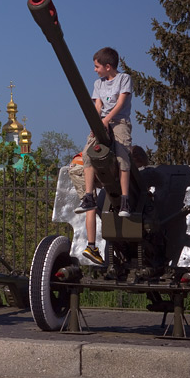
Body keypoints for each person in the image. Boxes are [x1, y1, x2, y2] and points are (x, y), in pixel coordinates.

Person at [74, 47, 134, 264]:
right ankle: (88, 195)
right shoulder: (98, 84)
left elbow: (120, 103)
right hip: (102, 122)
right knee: (89, 155)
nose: (95, 69)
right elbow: (98, 105)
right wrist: (96, 123)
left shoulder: (124, 79)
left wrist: (107, 121)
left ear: (108, 66)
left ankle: (126, 200)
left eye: (97, 66)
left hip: (119, 122)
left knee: (122, 157)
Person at [71, 145, 149, 266]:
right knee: (90, 206)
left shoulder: (116, 155)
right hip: (81, 168)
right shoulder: (120, 160)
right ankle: (91, 246)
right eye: (137, 167)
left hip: (83, 166)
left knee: (93, 204)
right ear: (134, 160)